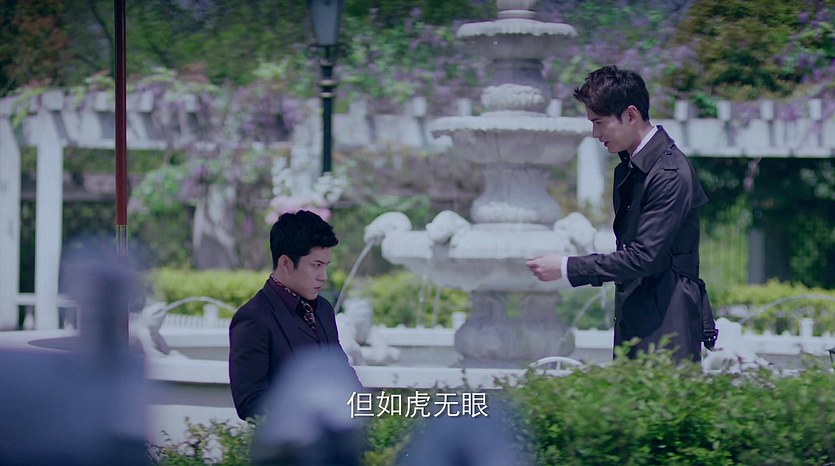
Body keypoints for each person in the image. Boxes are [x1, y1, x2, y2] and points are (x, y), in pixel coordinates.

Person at [526, 65, 717, 362]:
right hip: (641, 317)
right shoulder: (633, 166)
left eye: (599, 122)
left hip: (667, 324)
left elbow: (643, 256)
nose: (595, 133)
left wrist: (566, 267)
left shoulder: (668, 173)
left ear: (630, 115)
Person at [229, 210, 359, 420]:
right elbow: (250, 403)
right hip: (288, 438)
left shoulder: (323, 309)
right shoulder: (254, 318)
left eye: (326, 266)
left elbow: (342, 373)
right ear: (286, 263)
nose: (324, 277)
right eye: (316, 266)